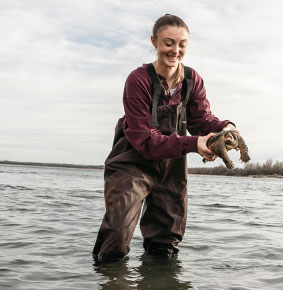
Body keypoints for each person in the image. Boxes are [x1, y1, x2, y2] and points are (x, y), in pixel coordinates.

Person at [93, 14, 239, 262]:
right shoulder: (137, 80)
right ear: (154, 42)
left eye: (182, 44)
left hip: (171, 166)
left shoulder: (192, 80)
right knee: (116, 238)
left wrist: (227, 126)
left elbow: (201, 120)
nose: (175, 50)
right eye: (168, 43)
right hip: (132, 162)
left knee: (165, 245)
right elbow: (145, 141)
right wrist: (194, 144)